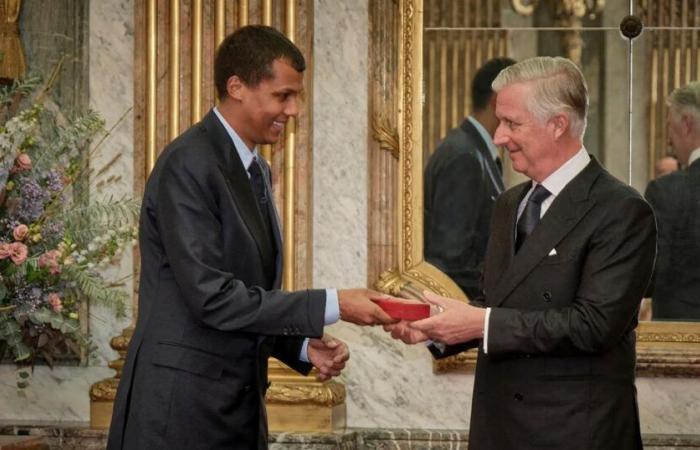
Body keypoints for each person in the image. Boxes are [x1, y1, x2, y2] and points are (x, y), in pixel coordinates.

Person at [107, 26, 394, 450]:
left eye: (297, 97)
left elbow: (246, 294)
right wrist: (334, 303)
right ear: (236, 87)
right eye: (282, 96)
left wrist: (297, 345)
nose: (293, 110)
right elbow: (212, 298)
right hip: (180, 415)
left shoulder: (254, 168)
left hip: (233, 410)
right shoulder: (189, 164)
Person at [388, 57, 656, 450]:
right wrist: (435, 327)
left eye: (512, 123)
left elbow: (594, 324)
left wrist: (481, 324)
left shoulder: (621, 210)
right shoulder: (509, 204)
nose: (498, 137)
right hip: (500, 429)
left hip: (576, 435)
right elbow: (501, 301)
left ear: (558, 124)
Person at [423, 57, 515, 299]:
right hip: (460, 313)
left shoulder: (473, 151)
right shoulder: (464, 157)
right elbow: (448, 260)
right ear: (499, 101)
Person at [644, 81, 700, 320]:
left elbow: (652, 269)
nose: (669, 140)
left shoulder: (666, 191)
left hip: (680, 337)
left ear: (686, 124)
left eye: (670, 126)